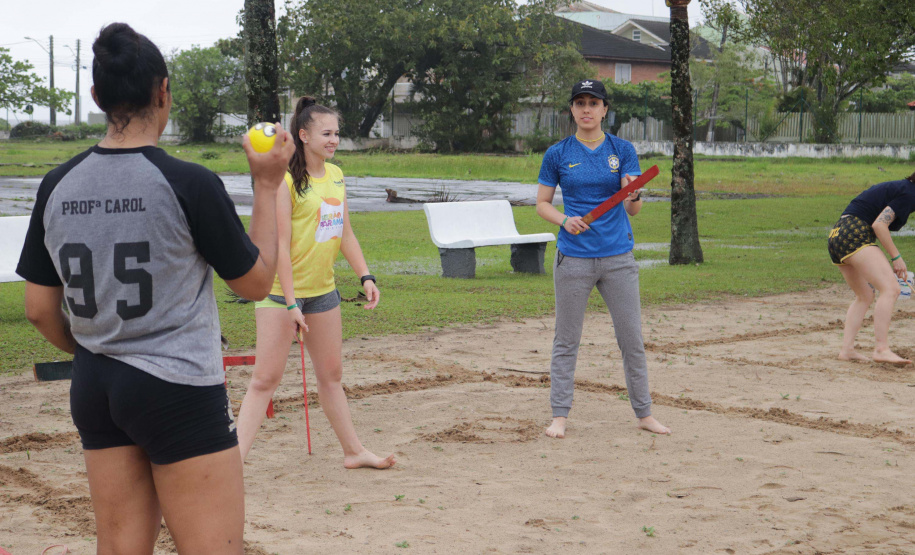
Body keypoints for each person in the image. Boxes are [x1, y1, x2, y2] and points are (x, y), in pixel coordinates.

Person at [15, 23, 293, 553]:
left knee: (120, 547)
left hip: (95, 384)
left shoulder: (57, 184)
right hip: (177, 385)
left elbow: (38, 310)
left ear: (96, 96)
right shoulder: (188, 181)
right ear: (163, 90)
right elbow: (256, 284)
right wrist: (266, 184)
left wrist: (100, 352)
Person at [236, 96, 395, 469]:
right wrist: (291, 303)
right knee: (265, 379)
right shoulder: (286, 181)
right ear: (303, 135)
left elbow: (345, 234)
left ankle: (354, 452)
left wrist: (365, 276)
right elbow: (280, 245)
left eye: (337, 133)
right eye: (326, 133)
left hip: (324, 293)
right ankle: (232, 463)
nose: (334, 139)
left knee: (331, 376)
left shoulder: (337, 176)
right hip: (279, 295)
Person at [535, 79, 670, 439]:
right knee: (566, 340)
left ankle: (644, 414)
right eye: (579, 103)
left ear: (605, 109)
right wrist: (565, 220)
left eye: (593, 103)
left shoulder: (622, 150)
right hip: (573, 259)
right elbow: (542, 204)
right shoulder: (558, 153)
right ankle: (559, 416)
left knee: (631, 340)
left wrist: (635, 194)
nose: (586, 110)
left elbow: (634, 209)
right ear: (572, 110)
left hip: (618, 259)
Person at [828, 171, 915, 365]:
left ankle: (847, 350)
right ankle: (881, 349)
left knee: (865, 295)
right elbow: (879, 225)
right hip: (854, 234)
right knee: (891, 289)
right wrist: (896, 258)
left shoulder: (902, 188)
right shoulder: (909, 193)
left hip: (837, 235)